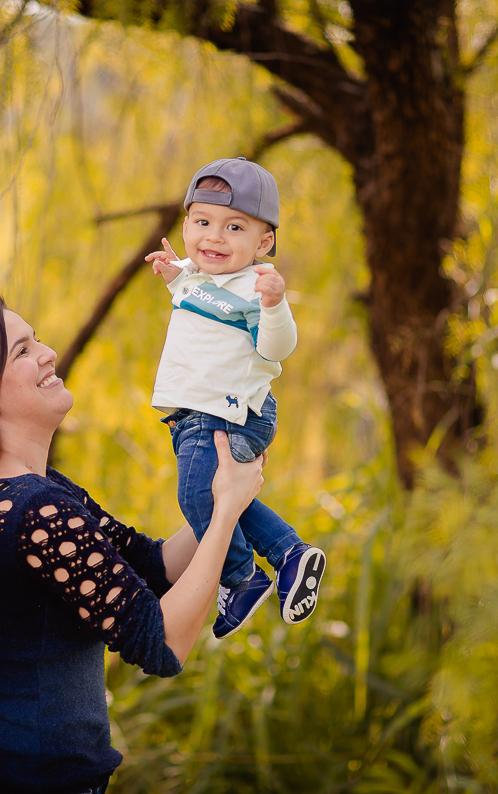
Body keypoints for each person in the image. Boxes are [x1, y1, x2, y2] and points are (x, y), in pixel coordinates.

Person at [0, 299, 265, 794]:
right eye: (22, 351)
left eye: (36, 338)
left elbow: (154, 565)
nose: (48, 353)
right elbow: (163, 644)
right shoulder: (32, 510)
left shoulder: (29, 493)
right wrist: (227, 513)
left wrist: (222, 494)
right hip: (40, 789)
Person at [144, 156, 327, 639]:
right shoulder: (197, 277)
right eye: (202, 223)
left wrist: (274, 305)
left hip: (223, 412)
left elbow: (276, 348)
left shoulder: (254, 287)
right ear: (186, 226)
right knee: (228, 499)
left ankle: (242, 579)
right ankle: (289, 554)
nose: (214, 238)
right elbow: (196, 300)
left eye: (234, 227)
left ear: (263, 243)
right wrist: (172, 273)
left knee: (196, 495)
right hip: (193, 416)